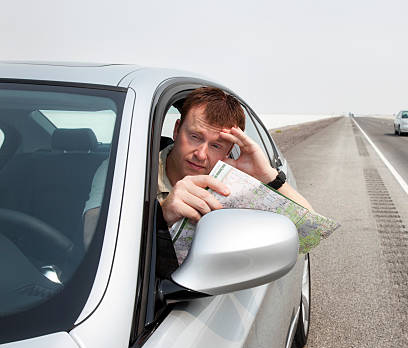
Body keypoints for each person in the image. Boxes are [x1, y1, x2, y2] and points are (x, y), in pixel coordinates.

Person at [83, 87, 312, 246]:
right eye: (194, 136)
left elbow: (309, 231)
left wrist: (267, 176)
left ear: (228, 150)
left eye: (216, 145)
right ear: (176, 130)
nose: (201, 154)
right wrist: (163, 217)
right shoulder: (130, 170)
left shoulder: (234, 182)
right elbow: (92, 239)